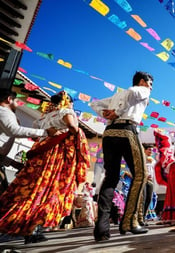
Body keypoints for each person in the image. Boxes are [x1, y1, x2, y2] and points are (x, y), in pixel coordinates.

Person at [0, 91, 89, 243]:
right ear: (66, 102)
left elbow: (35, 137)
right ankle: (31, 229)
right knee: (48, 191)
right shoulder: (66, 111)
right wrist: (75, 132)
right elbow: (72, 127)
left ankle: (27, 228)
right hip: (55, 156)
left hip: (39, 155)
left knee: (30, 190)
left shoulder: (43, 117)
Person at [91, 71, 153, 242]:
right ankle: (129, 222)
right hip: (127, 132)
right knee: (141, 175)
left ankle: (101, 229)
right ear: (142, 81)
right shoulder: (141, 90)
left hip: (109, 133)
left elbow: (94, 104)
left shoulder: (117, 94)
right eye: (150, 83)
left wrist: (105, 113)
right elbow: (134, 93)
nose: (151, 87)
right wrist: (118, 112)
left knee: (110, 178)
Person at [0, 89, 58, 170]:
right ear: (9, 99)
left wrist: (11, 162)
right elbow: (15, 131)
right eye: (16, 101)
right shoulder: (4, 111)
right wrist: (45, 132)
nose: (18, 104)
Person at [138, 143, 156, 226]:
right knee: (143, 199)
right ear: (144, 150)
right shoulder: (142, 158)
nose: (151, 151)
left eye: (152, 150)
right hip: (143, 181)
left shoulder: (153, 160)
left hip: (150, 181)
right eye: (149, 150)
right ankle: (140, 219)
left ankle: (144, 218)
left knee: (148, 199)